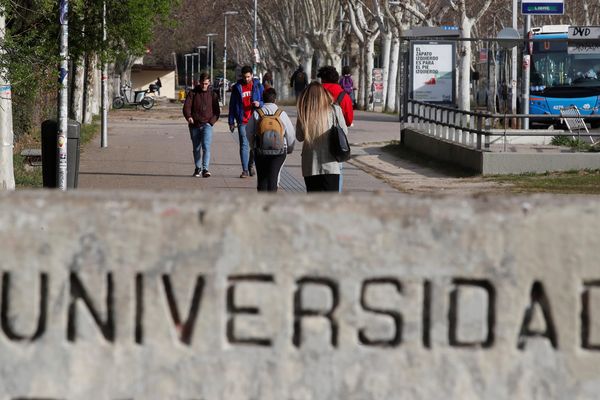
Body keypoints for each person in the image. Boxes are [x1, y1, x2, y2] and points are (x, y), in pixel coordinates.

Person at [295, 82, 348, 192]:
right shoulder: (334, 110)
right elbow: (344, 132)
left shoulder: (304, 112)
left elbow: (299, 137)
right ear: (324, 94)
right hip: (331, 163)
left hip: (310, 165)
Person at [246, 88, 295, 192]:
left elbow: (249, 131)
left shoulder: (257, 113)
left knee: (262, 179)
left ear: (263, 99)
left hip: (260, 150)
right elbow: (290, 134)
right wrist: (289, 148)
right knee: (273, 178)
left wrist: (253, 146)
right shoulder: (282, 114)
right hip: (279, 152)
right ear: (275, 100)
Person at [317, 65, 354, 192]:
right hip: (336, 140)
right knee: (337, 170)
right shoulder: (343, 95)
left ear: (322, 79)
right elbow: (349, 120)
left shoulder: (315, 93)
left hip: (315, 137)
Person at [228, 65, 264, 178]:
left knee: (254, 145)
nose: (246, 79)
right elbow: (232, 105)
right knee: (244, 145)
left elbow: (265, 99)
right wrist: (231, 121)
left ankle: (251, 164)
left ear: (252, 75)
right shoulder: (237, 87)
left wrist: (260, 104)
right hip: (242, 120)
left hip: (256, 119)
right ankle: (244, 170)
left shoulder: (258, 86)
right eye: (244, 77)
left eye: (248, 77)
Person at [182, 72, 220, 178]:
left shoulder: (213, 95)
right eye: (203, 83)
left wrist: (211, 122)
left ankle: (205, 169)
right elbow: (186, 107)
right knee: (196, 148)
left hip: (207, 125)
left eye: (206, 84)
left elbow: (217, 112)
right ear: (199, 82)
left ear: (209, 83)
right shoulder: (193, 93)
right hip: (194, 125)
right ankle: (197, 168)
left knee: (206, 147)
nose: (204, 86)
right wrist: (189, 117)